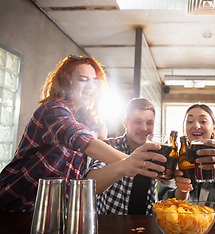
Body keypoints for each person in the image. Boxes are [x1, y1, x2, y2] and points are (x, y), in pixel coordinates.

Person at [0, 56, 165, 212]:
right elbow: (84, 141)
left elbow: (97, 128)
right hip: (16, 206)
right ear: (66, 83)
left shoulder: (83, 119)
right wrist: (138, 164)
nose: (90, 86)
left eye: (94, 81)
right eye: (83, 79)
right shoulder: (53, 109)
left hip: (53, 211)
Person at [159, 103, 215, 216]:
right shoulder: (172, 163)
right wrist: (181, 192)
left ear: (214, 128)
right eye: (190, 121)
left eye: (203, 121)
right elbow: (164, 209)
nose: (196, 126)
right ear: (185, 129)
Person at [85, 98, 160, 215]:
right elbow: (91, 184)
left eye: (149, 123)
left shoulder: (154, 152)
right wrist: (123, 166)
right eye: (137, 122)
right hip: (111, 229)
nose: (144, 128)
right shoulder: (109, 146)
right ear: (125, 122)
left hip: (145, 228)